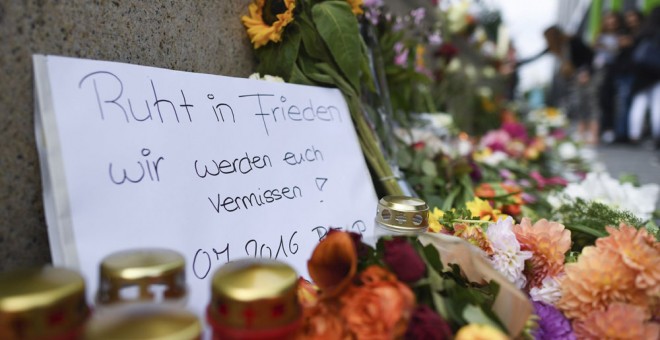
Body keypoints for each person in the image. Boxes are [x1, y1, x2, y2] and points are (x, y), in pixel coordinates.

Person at [543, 25, 597, 144]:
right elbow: (536, 56)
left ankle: (592, 134)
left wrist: (585, 71)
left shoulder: (573, 42)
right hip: (574, 78)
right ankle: (582, 133)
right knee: (578, 104)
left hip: (586, 76)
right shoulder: (558, 47)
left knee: (588, 104)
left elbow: (589, 56)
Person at [628, 7, 660, 149]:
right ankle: (656, 136)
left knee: (639, 103)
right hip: (656, 72)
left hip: (641, 73)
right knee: (657, 105)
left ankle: (634, 134)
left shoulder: (644, 31)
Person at [612, 9, 644, 143]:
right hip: (622, 72)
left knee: (632, 104)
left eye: (633, 16)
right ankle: (622, 134)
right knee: (623, 103)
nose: (630, 19)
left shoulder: (642, 33)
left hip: (637, 72)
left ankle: (629, 134)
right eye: (628, 17)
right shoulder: (623, 32)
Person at [593, 12, 624, 144]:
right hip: (600, 71)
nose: (611, 23)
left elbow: (617, 51)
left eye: (613, 20)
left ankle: (610, 129)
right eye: (608, 20)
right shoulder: (600, 37)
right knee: (599, 101)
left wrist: (608, 47)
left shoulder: (620, 36)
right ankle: (600, 129)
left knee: (612, 101)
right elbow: (596, 53)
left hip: (614, 71)